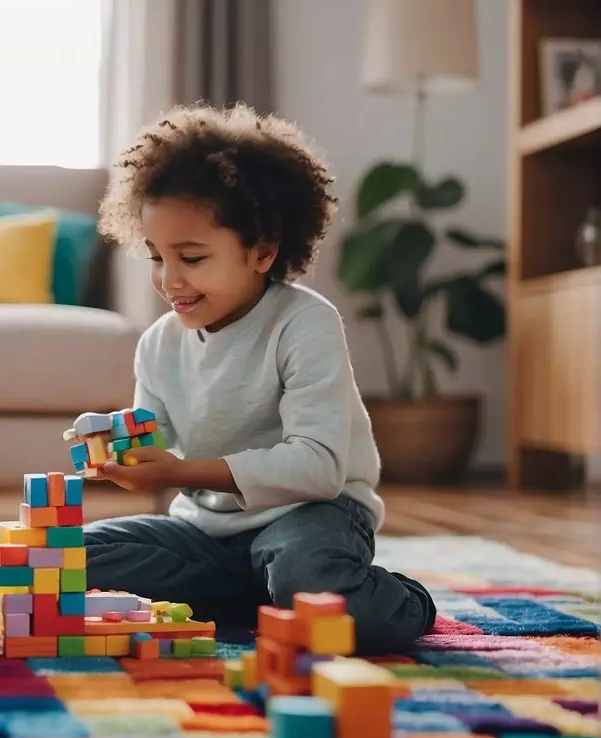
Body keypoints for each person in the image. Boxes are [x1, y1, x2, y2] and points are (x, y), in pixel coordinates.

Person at [82, 102, 435, 655]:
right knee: (71, 556)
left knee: (309, 573)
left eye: (192, 257)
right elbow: (155, 437)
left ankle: (404, 601)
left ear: (263, 251)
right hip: (206, 532)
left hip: (311, 517)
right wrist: (115, 441)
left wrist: (180, 470)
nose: (168, 279)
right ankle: (268, 595)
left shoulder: (304, 323)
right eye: (155, 256)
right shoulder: (159, 343)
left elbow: (318, 469)